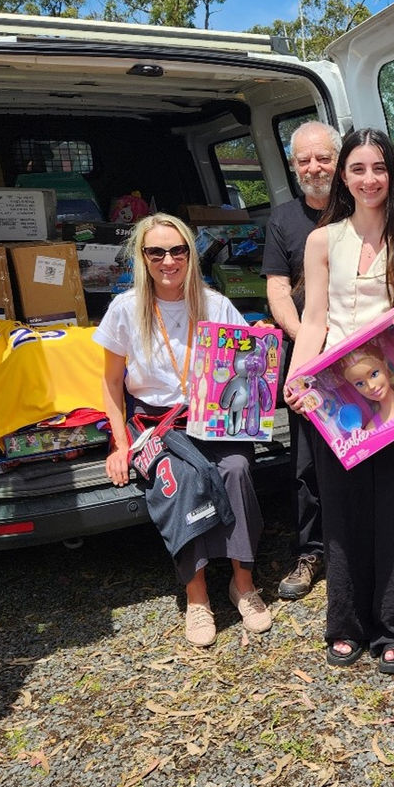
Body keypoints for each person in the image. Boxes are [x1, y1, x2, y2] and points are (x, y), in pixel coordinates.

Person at [285, 128, 394, 674]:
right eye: (358, 169)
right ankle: (346, 623)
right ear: (344, 177)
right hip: (336, 400)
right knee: (343, 512)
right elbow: (315, 319)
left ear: (392, 176)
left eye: (379, 168)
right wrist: (297, 379)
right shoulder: (323, 242)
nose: (368, 180)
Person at [96, 213, 274, 647]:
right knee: (182, 480)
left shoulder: (214, 303)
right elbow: (108, 384)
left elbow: (245, 358)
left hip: (213, 417)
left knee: (234, 470)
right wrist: (119, 446)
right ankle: (196, 598)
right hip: (155, 423)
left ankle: (243, 584)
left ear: (190, 255)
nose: (169, 261)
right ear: (143, 257)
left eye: (178, 251)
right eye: (157, 252)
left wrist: (260, 337)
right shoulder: (124, 308)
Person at [263, 121, 342, 600]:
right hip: (307, 358)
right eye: (304, 160)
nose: (314, 168)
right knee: (307, 462)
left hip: (360, 358)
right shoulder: (283, 220)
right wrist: (304, 343)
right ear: (293, 166)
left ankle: (356, 545)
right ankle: (311, 551)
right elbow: (276, 287)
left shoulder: (360, 210)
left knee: (359, 451)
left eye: (322, 158)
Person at [338, 343, 394, 430]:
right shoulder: (372, 429)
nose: (371, 386)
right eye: (360, 384)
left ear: (385, 364)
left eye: (374, 374)